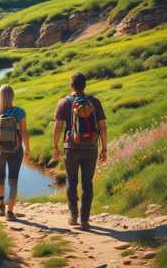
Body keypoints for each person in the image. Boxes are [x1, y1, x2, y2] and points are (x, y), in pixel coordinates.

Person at [52, 72, 107, 231]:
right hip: (91, 147)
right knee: (87, 183)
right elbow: (102, 127)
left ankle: (73, 216)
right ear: (85, 85)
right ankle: (85, 220)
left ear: (72, 85)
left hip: (71, 148)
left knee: (72, 181)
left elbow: (58, 127)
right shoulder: (95, 102)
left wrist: (55, 147)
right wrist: (104, 148)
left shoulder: (64, 102)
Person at [0, 84, 30, 221]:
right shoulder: (19, 112)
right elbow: (24, 132)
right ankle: (10, 212)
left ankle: (0, 206)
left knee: (0, 177)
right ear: (12, 96)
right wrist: (27, 148)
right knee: (13, 180)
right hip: (16, 150)